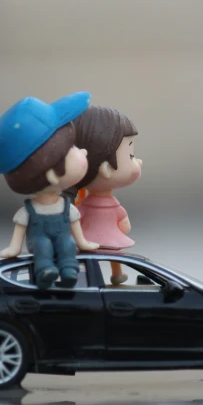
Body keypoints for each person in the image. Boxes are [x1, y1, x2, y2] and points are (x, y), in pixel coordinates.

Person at [0, 92, 99, 289]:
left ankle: (69, 270)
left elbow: (74, 227)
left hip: (63, 237)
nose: (83, 151)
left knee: (68, 244)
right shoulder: (29, 211)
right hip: (39, 240)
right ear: (52, 173)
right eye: (71, 148)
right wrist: (14, 248)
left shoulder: (65, 206)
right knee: (42, 247)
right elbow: (20, 230)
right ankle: (45, 271)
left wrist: (83, 243)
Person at [70, 106, 142, 285]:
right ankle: (106, 273)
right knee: (102, 254)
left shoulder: (85, 203)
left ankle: (114, 273)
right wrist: (123, 226)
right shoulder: (84, 203)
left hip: (91, 236)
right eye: (131, 155)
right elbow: (123, 223)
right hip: (89, 238)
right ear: (106, 169)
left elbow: (77, 218)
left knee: (109, 253)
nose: (138, 161)